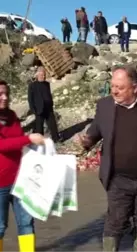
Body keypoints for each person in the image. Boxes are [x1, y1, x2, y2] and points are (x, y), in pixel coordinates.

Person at [75, 65, 137, 251]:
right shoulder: (104, 105)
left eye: (120, 87)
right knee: (115, 222)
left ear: (135, 87)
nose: (114, 91)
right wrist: (87, 140)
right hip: (118, 179)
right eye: (112, 86)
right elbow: (96, 130)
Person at [0, 79, 46, 252]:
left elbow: (17, 140)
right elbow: (2, 145)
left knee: (26, 222)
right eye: (0, 94)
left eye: (6, 93)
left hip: (21, 179)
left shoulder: (11, 116)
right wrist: (28, 138)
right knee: (0, 226)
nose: (4, 97)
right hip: (0, 183)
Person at [27, 67, 61, 143]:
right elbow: (30, 99)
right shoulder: (32, 85)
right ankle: (40, 141)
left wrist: (51, 103)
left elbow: (49, 94)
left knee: (53, 124)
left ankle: (56, 139)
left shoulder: (47, 84)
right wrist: (33, 109)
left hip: (48, 108)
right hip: (39, 108)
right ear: (37, 75)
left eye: (44, 75)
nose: (44, 76)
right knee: (39, 127)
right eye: (42, 75)